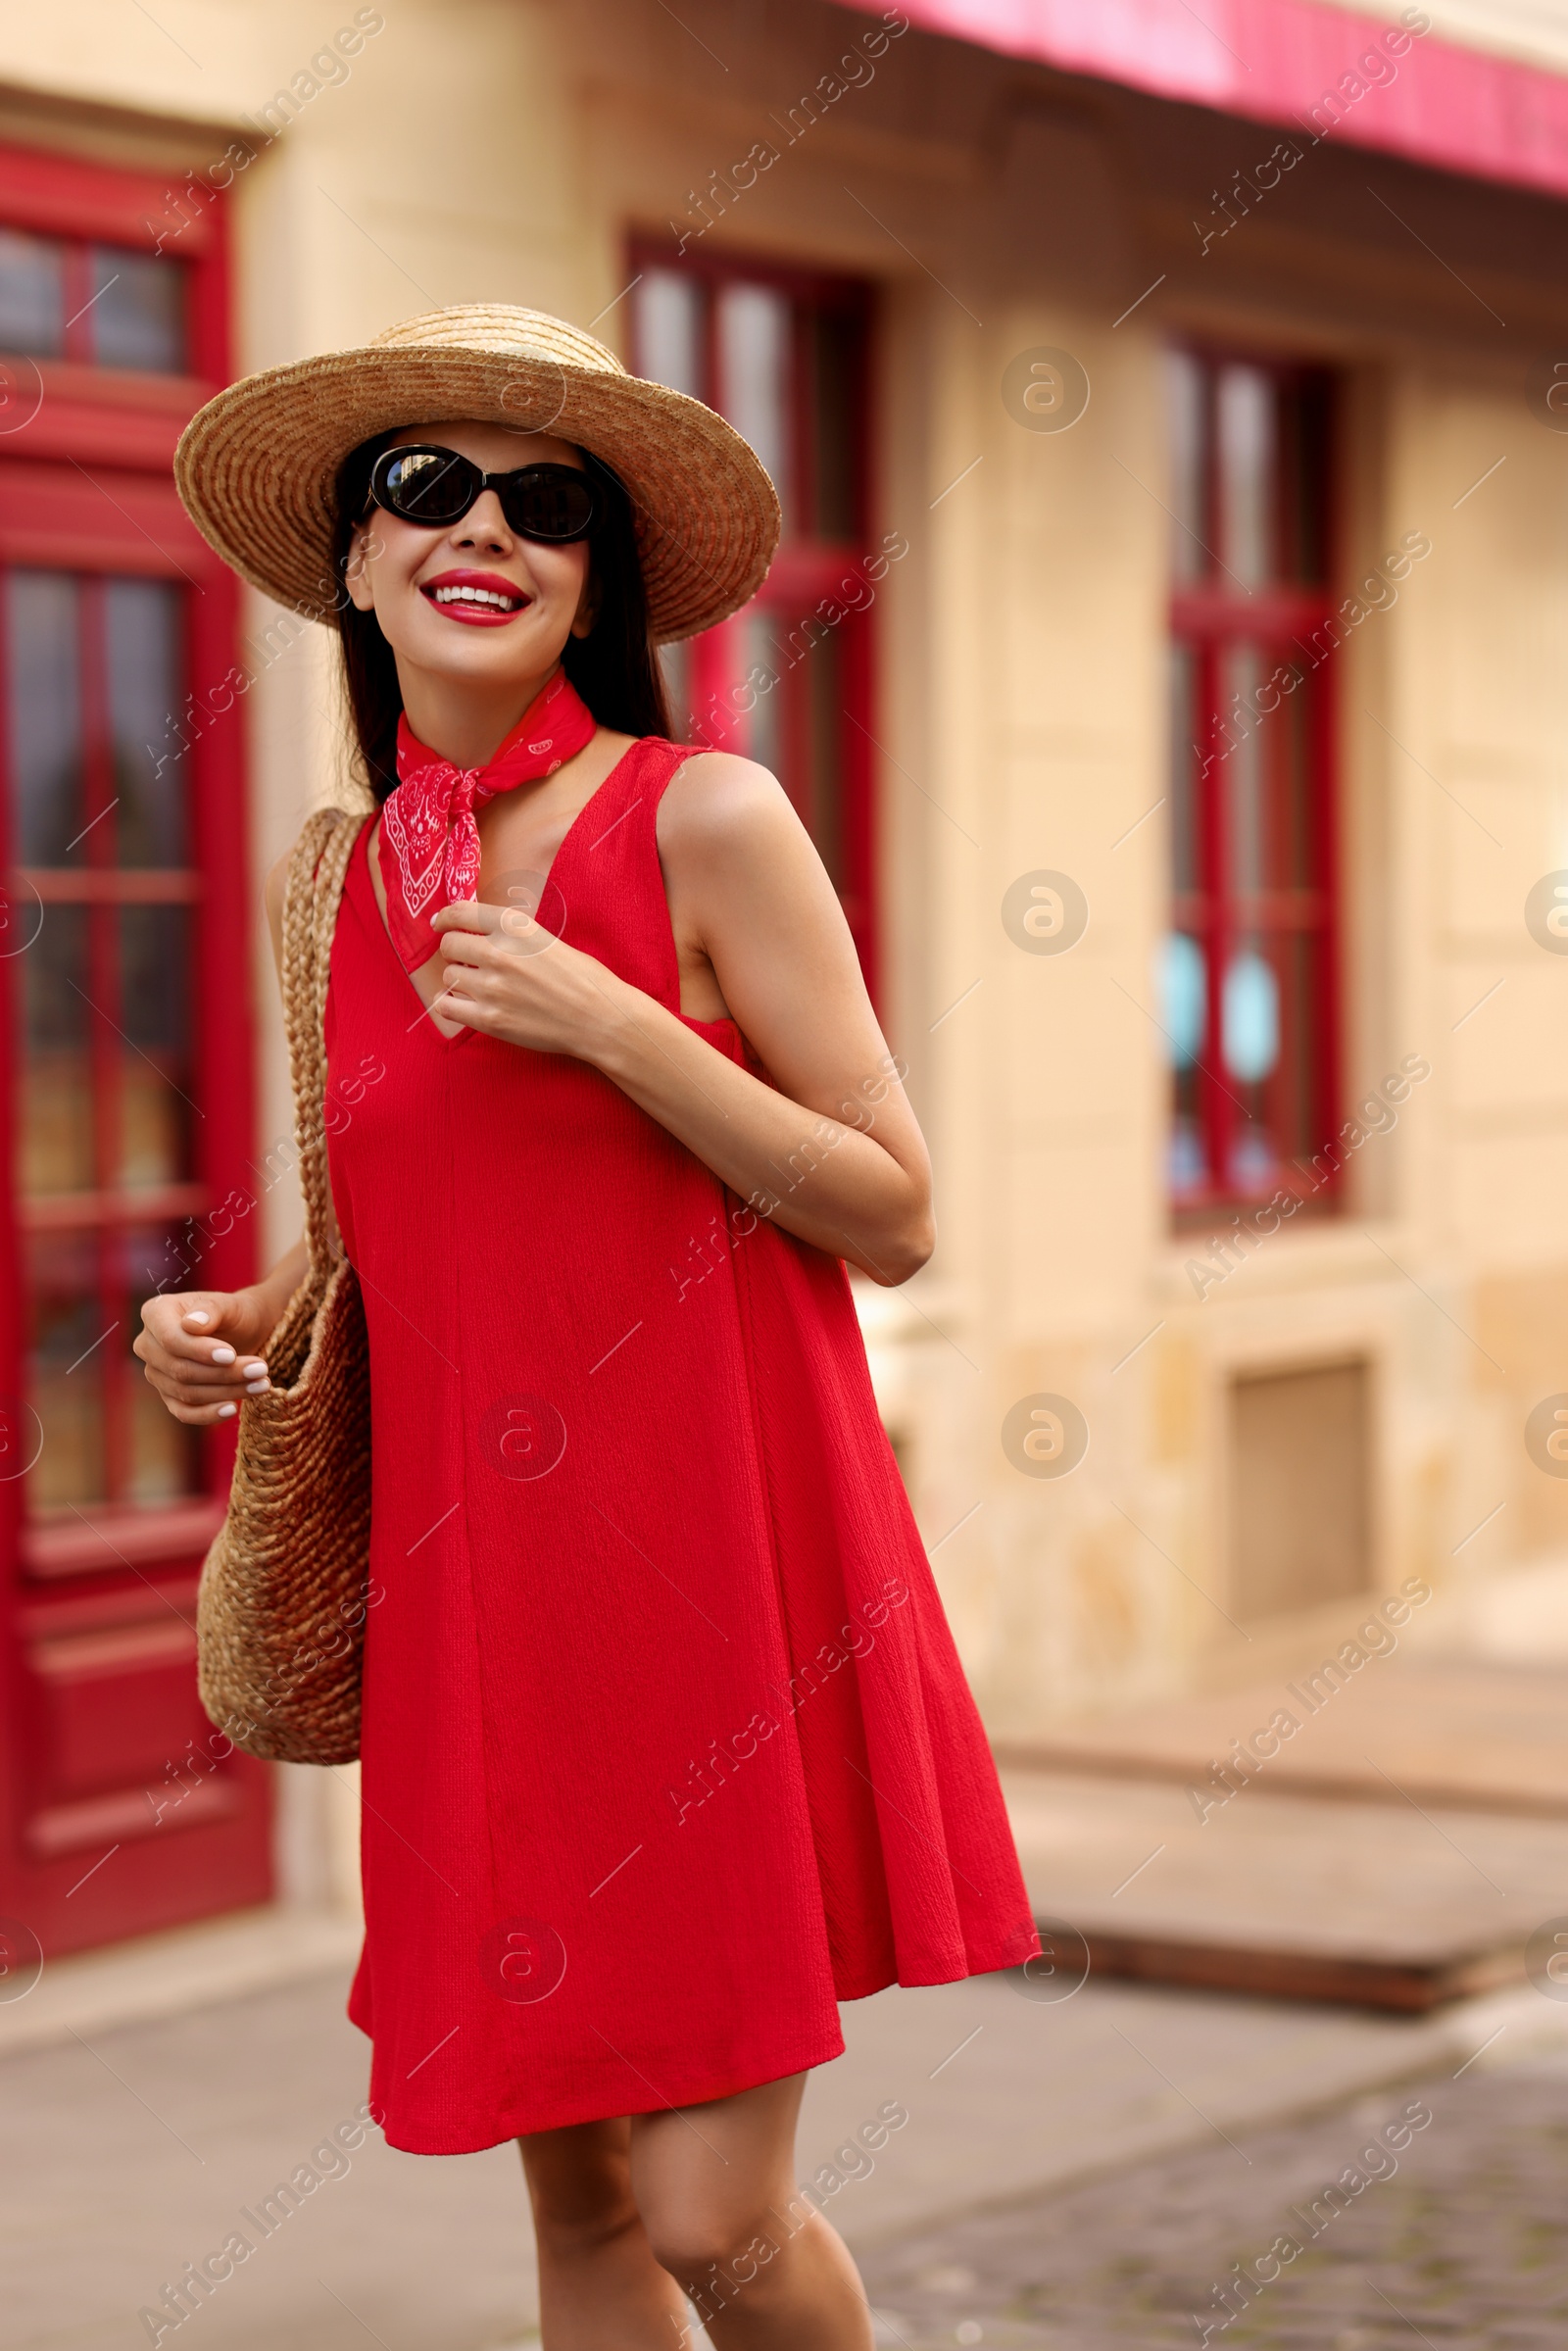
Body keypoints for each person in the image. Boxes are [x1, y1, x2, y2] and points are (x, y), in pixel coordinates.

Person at [136, 308, 1038, 2349]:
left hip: (713, 1589)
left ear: (592, 578)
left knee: (717, 2215)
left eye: (544, 505)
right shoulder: (337, 882)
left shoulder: (702, 818)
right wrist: (228, 1327)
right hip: (489, 1614)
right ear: (354, 561)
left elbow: (889, 1209)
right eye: (424, 488)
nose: (484, 531)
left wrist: (613, 1023)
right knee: (578, 2222)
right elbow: (375, 1244)